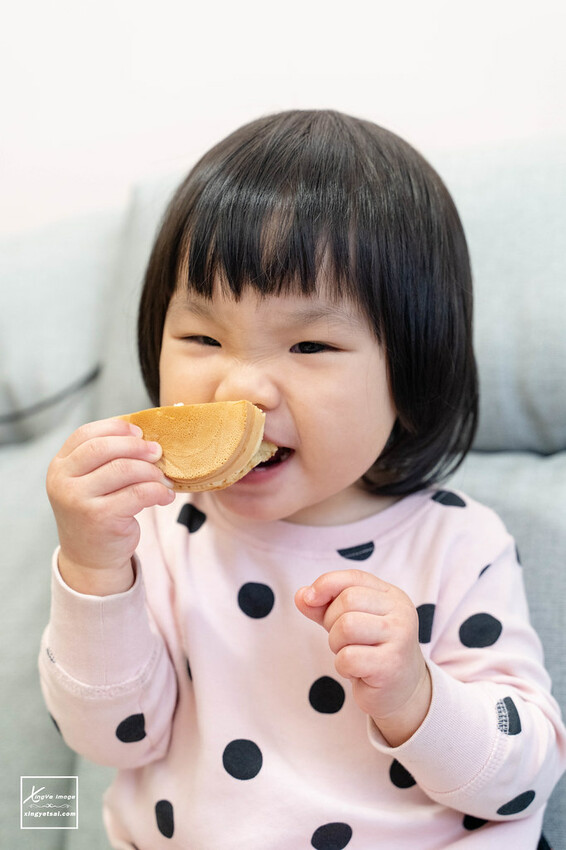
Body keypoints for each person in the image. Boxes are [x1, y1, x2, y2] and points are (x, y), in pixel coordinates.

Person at [40, 110, 565, 849]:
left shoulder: (458, 543)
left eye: (310, 343)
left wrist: (415, 695)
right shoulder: (148, 534)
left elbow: (523, 776)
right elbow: (111, 740)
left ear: (410, 375)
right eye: (201, 337)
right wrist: (92, 570)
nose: (241, 388)